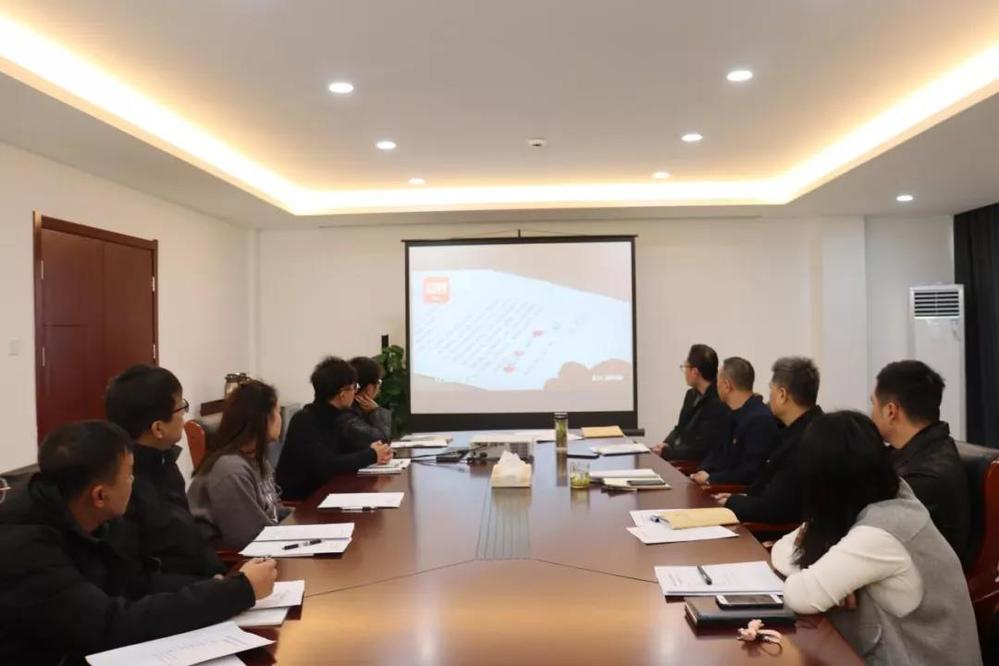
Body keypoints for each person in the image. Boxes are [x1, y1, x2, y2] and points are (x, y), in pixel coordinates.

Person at [0, 421, 277, 665]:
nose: (134, 481)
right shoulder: (24, 547)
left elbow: (136, 582)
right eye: (129, 474)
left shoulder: (93, 516)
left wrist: (216, 587)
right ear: (100, 495)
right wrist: (238, 591)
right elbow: (108, 626)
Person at [771, 411, 982, 665]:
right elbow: (784, 547)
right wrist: (826, 576)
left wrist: (820, 576)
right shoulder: (887, 497)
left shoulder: (882, 531)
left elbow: (800, 595)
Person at [105, 364, 224, 576]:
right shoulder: (123, 484)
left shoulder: (164, 462)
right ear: (158, 428)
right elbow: (139, 577)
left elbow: (190, 537)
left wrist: (220, 576)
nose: (184, 416)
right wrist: (214, 587)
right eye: (181, 408)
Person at [870, 360, 970, 560]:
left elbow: (874, 534)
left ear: (890, 411)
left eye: (873, 403)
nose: (870, 413)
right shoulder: (910, 451)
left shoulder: (925, 477)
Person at [188, 380, 292, 551]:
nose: (280, 418)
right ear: (264, 418)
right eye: (277, 411)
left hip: (266, 548)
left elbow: (274, 511)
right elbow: (246, 538)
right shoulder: (231, 470)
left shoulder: (256, 458)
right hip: (234, 561)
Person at [721, 356, 822, 524]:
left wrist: (731, 502)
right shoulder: (808, 428)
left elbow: (774, 508)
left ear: (782, 395)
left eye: (771, 389)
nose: (769, 396)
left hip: (779, 531)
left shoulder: (805, 441)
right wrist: (741, 497)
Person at [276, 356, 393, 500]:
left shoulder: (337, 415)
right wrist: (371, 455)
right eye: (354, 387)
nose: (356, 392)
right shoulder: (305, 420)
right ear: (342, 394)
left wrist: (376, 452)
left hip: (329, 493)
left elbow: (346, 455)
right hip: (304, 500)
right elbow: (326, 464)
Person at [691, 357, 779, 486]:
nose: (716, 386)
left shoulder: (759, 421)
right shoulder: (729, 413)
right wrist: (702, 470)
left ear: (727, 386)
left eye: (718, 382)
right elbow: (716, 453)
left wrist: (711, 478)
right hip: (717, 485)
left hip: (733, 491)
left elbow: (749, 472)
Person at [651, 344, 732, 462]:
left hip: (697, 463)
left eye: (685, 367)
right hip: (680, 455)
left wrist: (668, 452)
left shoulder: (718, 402)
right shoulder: (691, 395)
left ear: (695, 372)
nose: (684, 372)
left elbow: (701, 447)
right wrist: (665, 444)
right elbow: (680, 428)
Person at [346, 356, 393, 447]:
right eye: (379, 382)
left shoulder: (351, 407)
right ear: (369, 389)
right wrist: (377, 411)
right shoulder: (350, 415)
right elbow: (383, 442)